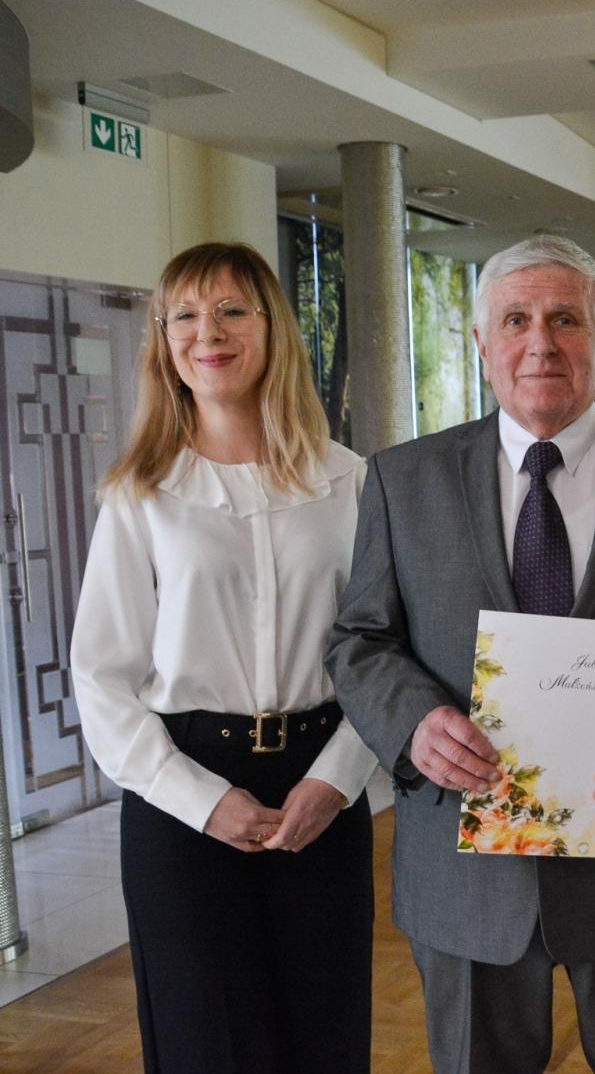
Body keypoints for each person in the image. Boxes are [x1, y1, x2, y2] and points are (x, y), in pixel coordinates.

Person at [326, 234, 595, 1073]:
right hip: (465, 875)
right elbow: (361, 639)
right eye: (515, 320)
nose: (540, 342)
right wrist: (414, 724)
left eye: (565, 320)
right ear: (481, 342)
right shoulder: (403, 479)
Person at [69, 242, 376, 1073]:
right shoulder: (139, 494)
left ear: (272, 329)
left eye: (232, 310)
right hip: (184, 796)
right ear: (164, 341)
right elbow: (101, 677)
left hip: (321, 789)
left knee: (325, 1037)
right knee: (205, 1044)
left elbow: (384, 651)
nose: (208, 332)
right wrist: (201, 801)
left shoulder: (348, 481)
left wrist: (337, 779)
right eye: (185, 316)